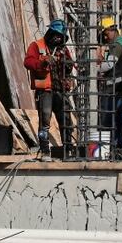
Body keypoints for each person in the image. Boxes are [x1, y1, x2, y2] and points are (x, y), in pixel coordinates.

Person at [24, 20, 75, 159]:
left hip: (60, 90)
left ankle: (68, 150)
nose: (58, 39)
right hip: (45, 91)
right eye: (56, 35)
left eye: (61, 37)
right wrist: (43, 61)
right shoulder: (37, 46)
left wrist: (67, 63)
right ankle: (45, 150)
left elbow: (70, 66)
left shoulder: (63, 49)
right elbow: (28, 62)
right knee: (44, 121)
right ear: (50, 33)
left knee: (66, 121)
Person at [97, 17, 122, 155]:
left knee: (112, 116)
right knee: (118, 116)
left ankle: (114, 147)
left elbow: (110, 64)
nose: (105, 36)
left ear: (111, 30)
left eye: (105, 33)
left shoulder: (117, 45)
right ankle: (117, 147)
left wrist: (94, 68)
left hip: (118, 86)